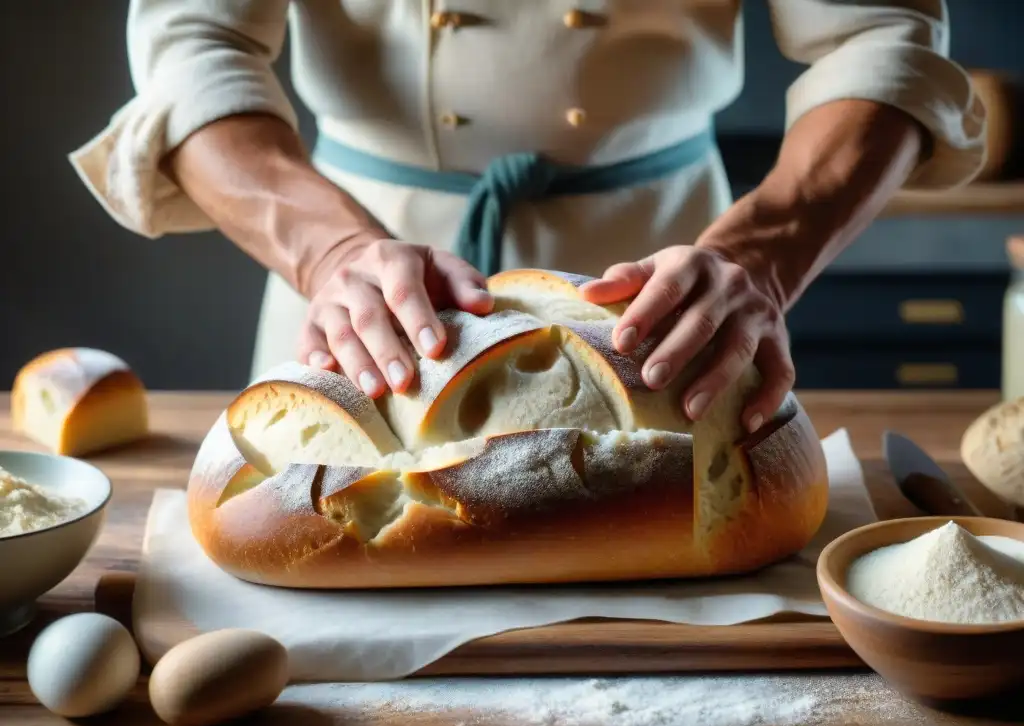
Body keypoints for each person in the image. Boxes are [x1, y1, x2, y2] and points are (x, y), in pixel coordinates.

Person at [71, 1, 985, 434]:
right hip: (368, 297)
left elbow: (879, 37)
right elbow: (193, 44)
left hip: (668, 282)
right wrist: (332, 249)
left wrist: (764, 257)